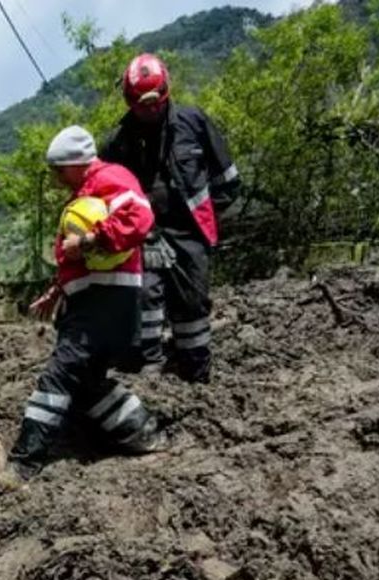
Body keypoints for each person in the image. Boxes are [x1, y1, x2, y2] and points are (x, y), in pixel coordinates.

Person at [7, 126, 168, 480]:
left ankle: (24, 462)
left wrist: (91, 241)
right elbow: (76, 257)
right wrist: (58, 288)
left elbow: (139, 219)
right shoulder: (88, 190)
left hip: (105, 301)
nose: (56, 178)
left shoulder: (110, 178)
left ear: (76, 163)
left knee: (60, 375)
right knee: (86, 382)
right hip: (96, 300)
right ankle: (144, 433)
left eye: (59, 170)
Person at [100, 53, 240, 382]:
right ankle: (148, 373)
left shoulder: (194, 122)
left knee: (192, 305)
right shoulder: (117, 144)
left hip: (190, 233)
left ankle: (196, 372)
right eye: (141, 104)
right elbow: (102, 195)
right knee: (145, 296)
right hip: (145, 234)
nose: (150, 110)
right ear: (129, 101)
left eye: (155, 102)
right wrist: (139, 231)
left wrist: (201, 218)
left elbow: (229, 182)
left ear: (166, 91)